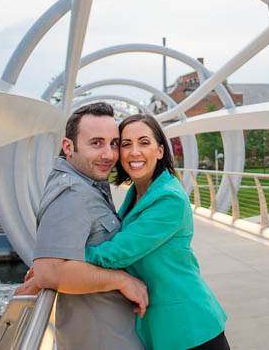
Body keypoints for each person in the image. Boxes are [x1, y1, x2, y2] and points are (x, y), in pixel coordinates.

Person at [85, 113, 229, 350]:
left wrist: (60, 264)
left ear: (160, 151)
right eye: (126, 144)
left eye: (144, 142)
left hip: (190, 328)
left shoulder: (168, 198)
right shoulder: (136, 193)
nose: (135, 152)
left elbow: (116, 254)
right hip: (163, 326)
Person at [14, 102, 146, 349]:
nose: (109, 154)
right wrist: (122, 281)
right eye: (96, 143)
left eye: (113, 143)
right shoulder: (72, 193)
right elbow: (49, 272)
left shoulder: (88, 183)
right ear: (68, 147)